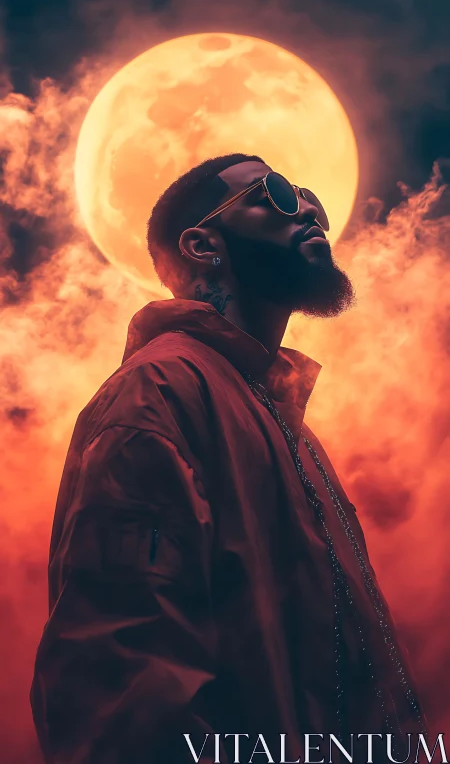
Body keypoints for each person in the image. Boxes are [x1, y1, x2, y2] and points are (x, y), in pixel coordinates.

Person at [31, 153, 426, 764]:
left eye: (307, 191)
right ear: (201, 244)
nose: (310, 207)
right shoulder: (157, 395)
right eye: (274, 193)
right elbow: (120, 681)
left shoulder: (288, 427)